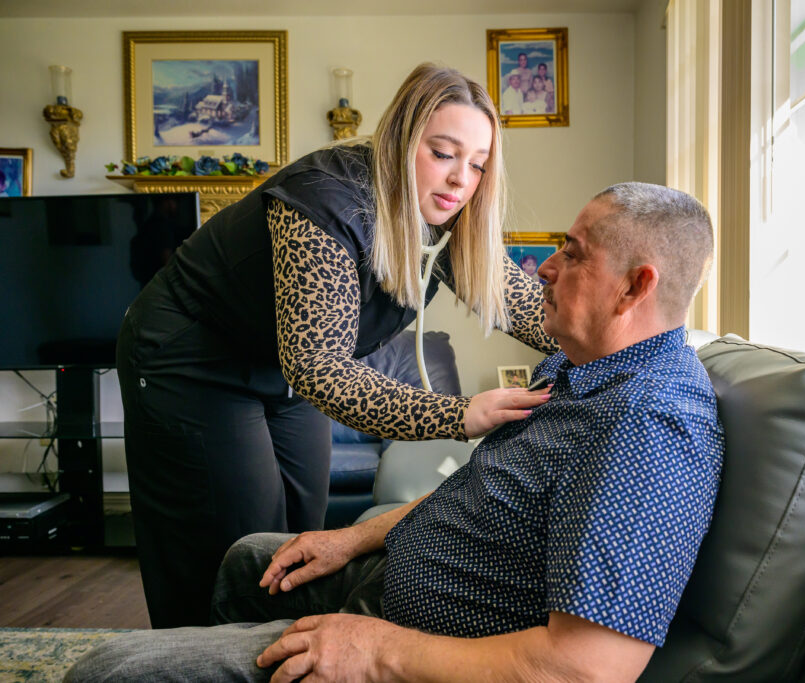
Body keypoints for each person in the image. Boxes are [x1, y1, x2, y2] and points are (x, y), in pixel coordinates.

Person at [66, 182, 725, 682]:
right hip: (396, 587)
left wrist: (374, 648)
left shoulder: (650, 425)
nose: (543, 267)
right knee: (252, 559)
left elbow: (586, 667)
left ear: (635, 287)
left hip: (417, 645)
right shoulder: (580, 371)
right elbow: (480, 489)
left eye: (572, 253)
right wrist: (352, 535)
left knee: (107, 668)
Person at [117, 63, 558, 629]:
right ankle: (191, 661)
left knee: (299, 539)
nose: (459, 181)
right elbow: (319, 368)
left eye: (477, 164)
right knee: (232, 546)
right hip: (192, 357)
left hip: (280, 364)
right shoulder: (326, 201)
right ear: (400, 141)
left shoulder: (446, 217)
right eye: (443, 153)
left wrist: (626, 333)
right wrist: (459, 415)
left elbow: (523, 305)